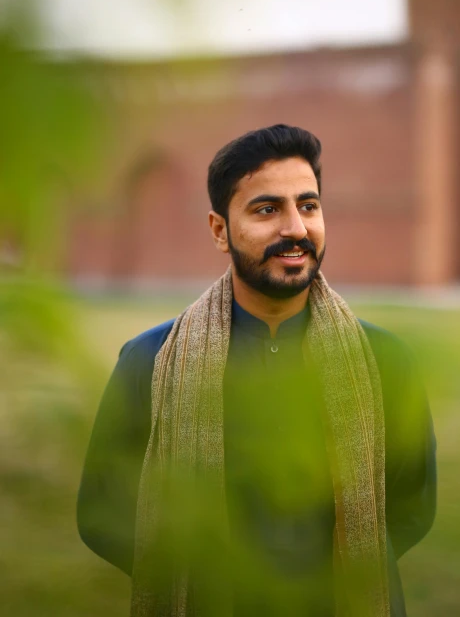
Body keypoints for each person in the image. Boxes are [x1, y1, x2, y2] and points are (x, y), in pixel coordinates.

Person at [78, 125, 436, 617]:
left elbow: (412, 505)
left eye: (308, 206)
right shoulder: (149, 361)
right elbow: (101, 513)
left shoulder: (386, 361)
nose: (295, 228)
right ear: (220, 230)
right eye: (267, 209)